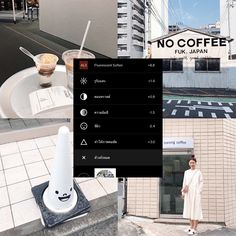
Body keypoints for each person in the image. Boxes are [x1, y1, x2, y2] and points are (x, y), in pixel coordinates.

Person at [181, 155, 203, 235]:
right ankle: (190, 227)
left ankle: (195, 228)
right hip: (188, 193)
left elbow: (201, 182)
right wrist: (183, 192)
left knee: (196, 210)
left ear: (195, 163)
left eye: (193, 162)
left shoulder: (198, 172)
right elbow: (184, 183)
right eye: (190, 162)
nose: (192, 164)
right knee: (189, 210)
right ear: (188, 163)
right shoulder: (186, 172)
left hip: (196, 194)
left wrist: (198, 191)